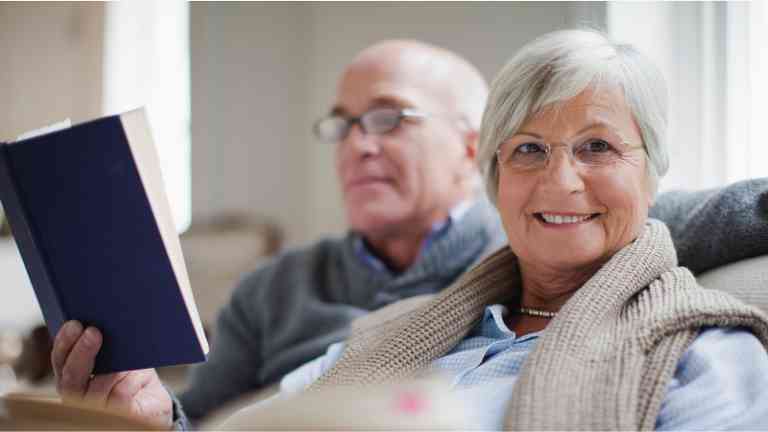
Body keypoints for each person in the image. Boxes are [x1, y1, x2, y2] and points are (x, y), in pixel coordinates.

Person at [50, 37, 768, 429]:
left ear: (655, 175)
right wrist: (146, 417)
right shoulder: (392, 331)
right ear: (493, 172)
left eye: (599, 147)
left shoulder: (705, 354)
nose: (560, 182)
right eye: (527, 149)